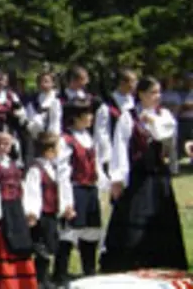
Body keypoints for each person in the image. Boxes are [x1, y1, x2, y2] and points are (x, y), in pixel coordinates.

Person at [100, 77, 188, 272]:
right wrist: (118, 178)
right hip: (138, 176)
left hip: (158, 177)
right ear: (141, 94)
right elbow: (120, 148)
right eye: (153, 93)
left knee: (161, 220)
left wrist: (153, 120)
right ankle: (129, 263)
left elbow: (164, 135)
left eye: (158, 92)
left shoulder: (164, 115)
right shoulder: (128, 117)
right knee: (133, 218)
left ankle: (162, 263)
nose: (157, 97)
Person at [53, 99, 107, 283]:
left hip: (90, 189)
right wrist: (66, 201)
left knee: (91, 231)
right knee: (69, 233)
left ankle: (89, 270)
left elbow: (95, 164)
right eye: (87, 114)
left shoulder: (88, 136)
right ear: (75, 117)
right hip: (75, 189)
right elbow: (62, 171)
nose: (91, 117)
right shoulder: (66, 139)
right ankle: (60, 273)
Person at [0, 132, 37, 289]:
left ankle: (23, 283)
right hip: (1, 209)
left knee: (20, 246)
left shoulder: (14, 164)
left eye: (6, 144)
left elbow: (22, 187)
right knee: (3, 246)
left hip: (16, 207)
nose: (3, 147)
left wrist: (28, 210)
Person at [24, 132, 75, 289]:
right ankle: (40, 280)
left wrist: (66, 206)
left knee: (51, 245)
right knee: (41, 248)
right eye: (57, 148)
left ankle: (46, 278)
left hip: (52, 212)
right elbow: (31, 191)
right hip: (42, 214)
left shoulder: (53, 167)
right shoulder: (36, 169)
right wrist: (32, 212)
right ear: (48, 150)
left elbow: (61, 188)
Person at [25, 71, 63, 138]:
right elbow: (30, 119)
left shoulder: (59, 98)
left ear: (53, 83)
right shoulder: (33, 100)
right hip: (37, 135)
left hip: (56, 135)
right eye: (40, 82)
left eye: (46, 81)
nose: (43, 84)